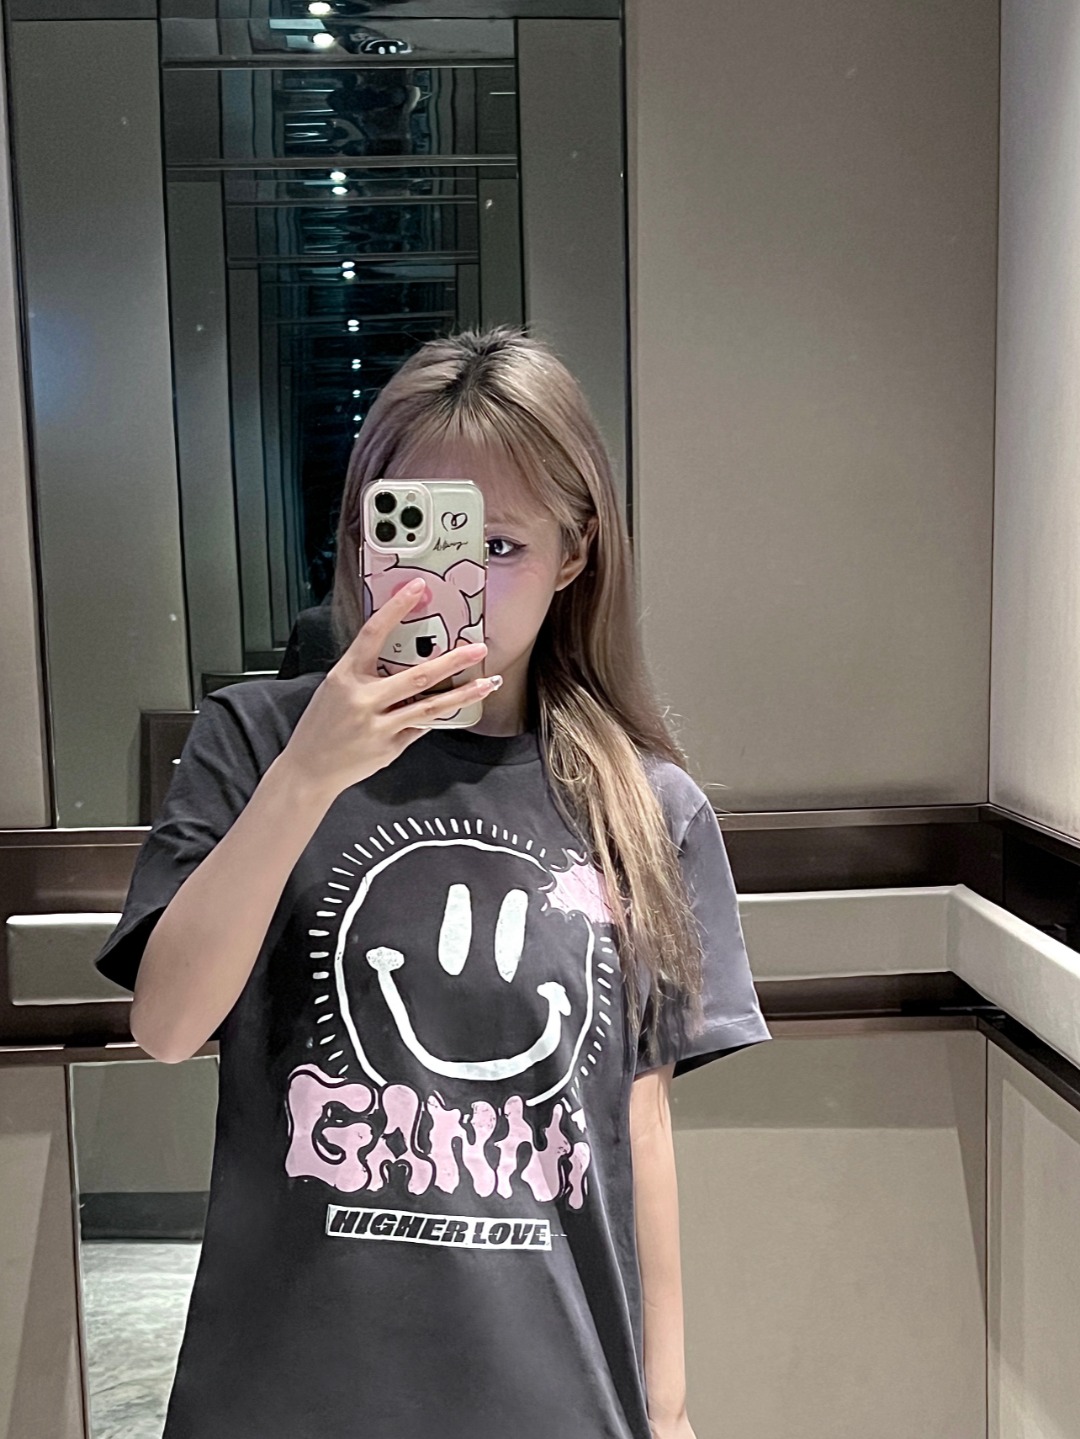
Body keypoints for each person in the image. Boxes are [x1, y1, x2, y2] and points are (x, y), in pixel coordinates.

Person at [94, 328, 771, 1439]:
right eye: (413, 530)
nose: (453, 582)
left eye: (501, 543)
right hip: (289, 1393)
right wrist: (309, 772)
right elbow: (167, 1024)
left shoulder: (646, 808)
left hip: (549, 1392)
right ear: (363, 532)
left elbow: (637, 1121)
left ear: (575, 553)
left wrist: (673, 1406)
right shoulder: (253, 741)